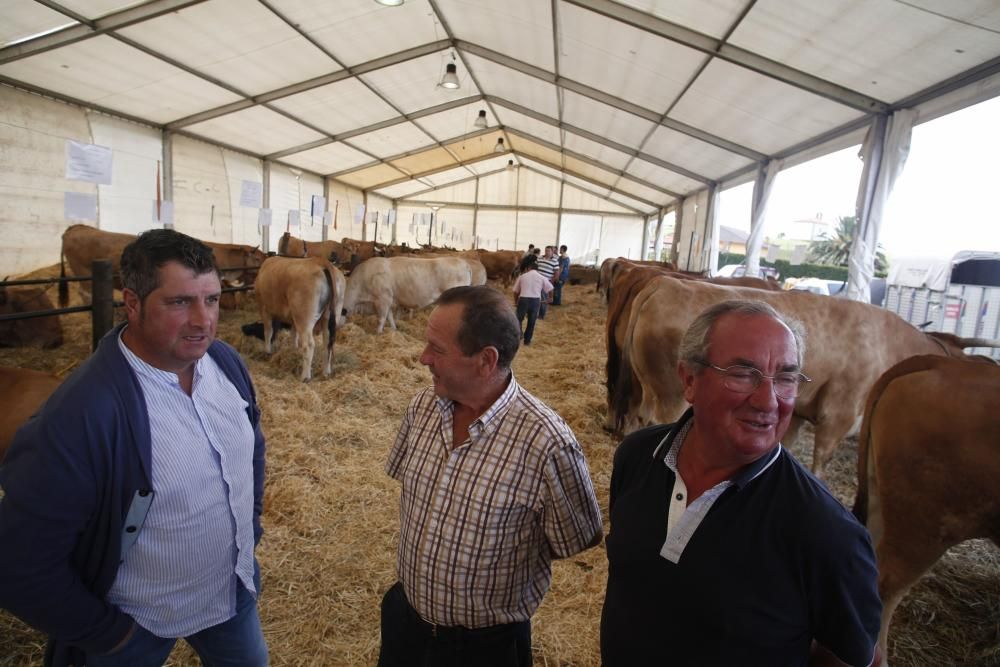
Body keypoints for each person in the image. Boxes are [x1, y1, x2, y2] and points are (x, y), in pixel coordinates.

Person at [0, 229, 268, 667]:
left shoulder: (225, 364)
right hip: (138, 617)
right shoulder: (84, 412)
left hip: (229, 593)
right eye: (180, 302)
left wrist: (249, 532)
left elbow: (251, 450)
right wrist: (107, 633)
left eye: (212, 300)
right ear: (132, 303)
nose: (204, 321)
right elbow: (17, 562)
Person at [600, 300, 881, 667]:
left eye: (785, 378)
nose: (768, 401)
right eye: (743, 373)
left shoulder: (827, 533)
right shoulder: (638, 456)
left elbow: (857, 659)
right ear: (689, 380)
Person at [378, 286, 603, 667]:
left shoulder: (547, 442)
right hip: (406, 622)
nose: (422, 358)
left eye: (437, 349)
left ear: (485, 360)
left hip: (484, 649)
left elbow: (575, 539)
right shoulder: (422, 409)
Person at [511, 254, 553, 346]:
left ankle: (519, 335)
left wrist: (516, 301)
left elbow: (515, 291)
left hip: (523, 299)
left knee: (518, 319)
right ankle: (527, 341)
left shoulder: (522, 277)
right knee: (532, 321)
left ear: (529, 268)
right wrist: (550, 298)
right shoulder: (542, 277)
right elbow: (550, 288)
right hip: (535, 301)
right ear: (536, 269)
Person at [535, 246, 559, 319]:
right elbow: (535, 267)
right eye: (546, 250)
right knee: (535, 297)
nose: (547, 252)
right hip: (537, 281)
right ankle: (533, 313)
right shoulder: (539, 258)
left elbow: (557, 273)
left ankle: (541, 315)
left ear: (552, 252)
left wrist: (551, 281)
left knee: (544, 298)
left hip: (546, 282)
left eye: (548, 251)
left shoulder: (555, 261)